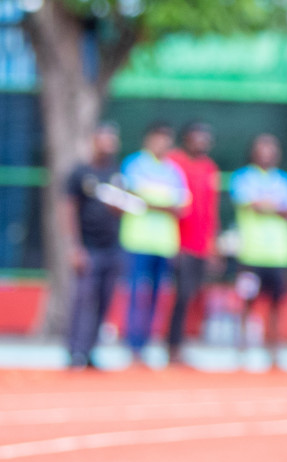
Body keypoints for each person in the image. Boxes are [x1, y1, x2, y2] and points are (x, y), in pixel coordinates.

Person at [119, 123, 189, 366]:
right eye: (157, 139)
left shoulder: (174, 170)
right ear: (148, 140)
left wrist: (153, 203)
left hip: (165, 244)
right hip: (137, 241)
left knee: (158, 298)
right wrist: (164, 205)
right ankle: (132, 346)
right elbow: (134, 199)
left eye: (166, 140)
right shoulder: (134, 164)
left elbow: (182, 207)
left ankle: (147, 345)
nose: (161, 144)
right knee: (136, 294)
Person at [229, 134, 287, 370]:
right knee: (247, 303)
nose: (267, 152)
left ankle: (274, 354)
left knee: (277, 305)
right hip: (251, 253)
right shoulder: (242, 178)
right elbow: (253, 206)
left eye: (271, 147)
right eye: (262, 147)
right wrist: (275, 206)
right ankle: (241, 352)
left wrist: (267, 205)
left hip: (280, 255)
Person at [61, 122, 128, 369]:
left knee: (104, 300)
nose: (109, 143)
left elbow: (123, 210)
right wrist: (74, 246)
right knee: (83, 301)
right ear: (94, 140)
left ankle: (90, 351)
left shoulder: (116, 174)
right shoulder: (80, 172)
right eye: (105, 138)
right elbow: (68, 209)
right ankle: (74, 352)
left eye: (112, 139)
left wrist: (118, 206)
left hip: (112, 248)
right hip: (89, 247)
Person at [165, 122, 220, 367]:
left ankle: (183, 344)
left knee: (193, 297)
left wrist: (212, 247)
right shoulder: (174, 162)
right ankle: (172, 347)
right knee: (181, 295)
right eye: (197, 137)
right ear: (186, 138)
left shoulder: (210, 168)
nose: (201, 142)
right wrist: (173, 244)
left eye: (205, 138)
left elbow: (211, 210)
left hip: (200, 246)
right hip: (179, 245)